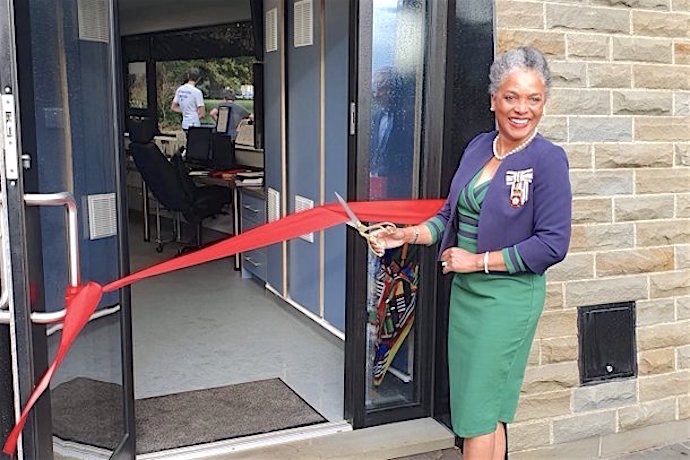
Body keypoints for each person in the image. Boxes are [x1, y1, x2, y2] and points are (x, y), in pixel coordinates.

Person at [370, 46, 572, 460]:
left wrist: (477, 261)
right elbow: (449, 215)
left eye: (534, 99)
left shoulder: (548, 160)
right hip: (467, 297)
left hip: (508, 301)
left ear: (544, 103)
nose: (522, 109)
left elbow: (552, 244)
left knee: (477, 415)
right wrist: (404, 235)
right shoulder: (479, 147)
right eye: (512, 96)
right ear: (493, 98)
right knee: (485, 408)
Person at [369, 66, 414, 199]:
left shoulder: (408, 119)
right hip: (376, 184)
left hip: (399, 189)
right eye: (375, 88)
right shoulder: (376, 117)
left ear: (394, 89)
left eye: (382, 88)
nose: (376, 94)